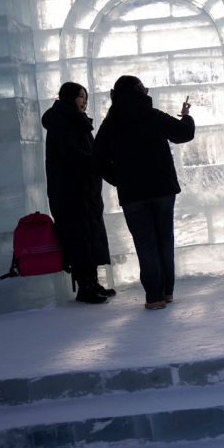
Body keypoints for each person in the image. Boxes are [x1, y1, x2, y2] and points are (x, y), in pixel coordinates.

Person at [92, 76, 195, 310]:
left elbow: (97, 159)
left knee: (145, 243)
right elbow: (183, 134)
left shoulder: (111, 124)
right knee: (164, 240)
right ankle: (167, 292)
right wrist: (186, 116)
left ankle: (154, 297)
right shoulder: (153, 115)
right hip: (162, 189)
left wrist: (119, 180)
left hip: (133, 194)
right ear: (140, 91)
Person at [42, 82, 115, 304]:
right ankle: (85, 287)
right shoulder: (61, 121)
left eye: (86, 97)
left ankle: (92, 282)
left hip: (83, 189)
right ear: (69, 97)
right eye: (80, 97)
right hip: (70, 191)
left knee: (88, 235)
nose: (84, 101)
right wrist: (97, 161)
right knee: (78, 237)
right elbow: (72, 154)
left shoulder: (76, 121)